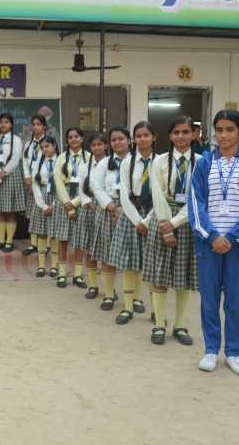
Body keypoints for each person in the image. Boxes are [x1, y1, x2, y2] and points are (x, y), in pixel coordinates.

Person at [190, 109, 239, 376]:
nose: (223, 135)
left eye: (230, 129)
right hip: (209, 244)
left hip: (238, 247)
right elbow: (196, 203)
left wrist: (232, 237)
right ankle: (211, 350)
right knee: (209, 300)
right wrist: (212, 236)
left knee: (235, 302)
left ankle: (234, 353)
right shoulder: (204, 164)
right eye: (219, 130)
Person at [142, 116, 201, 346]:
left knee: (182, 276)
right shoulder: (159, 161)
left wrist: (175, 222)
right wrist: (166, 226)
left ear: (193, 134)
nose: (181, 136)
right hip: (162, 219)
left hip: (188, 221)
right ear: (169, 135)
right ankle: (159, 324)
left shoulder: (202, 162)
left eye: (186, 132)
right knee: (160, 274)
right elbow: (157, 193)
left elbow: (198, 198)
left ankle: (180, 325)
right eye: (176, 132)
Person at [110, 122, 155, 325]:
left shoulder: (161, 161)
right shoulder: (127, 162)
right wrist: (138, 221)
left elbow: (163, 194)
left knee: (154, 264)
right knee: (129, 263)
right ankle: (128, 307)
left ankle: (156, 310)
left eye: (146, 135)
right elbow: (124, 194)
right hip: (131, 214)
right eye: (138, 136)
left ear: (153, 137)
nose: (142, 139)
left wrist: (148, 220)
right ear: (133, 140)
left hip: (154, 212)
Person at [91, 126, 132, 311]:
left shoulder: (136, 161)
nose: (118, 142)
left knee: (132, 257)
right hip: (109, 210)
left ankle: (134, 299)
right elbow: (96, 187)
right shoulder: (104, 163)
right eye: (114, 140)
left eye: (121, 138)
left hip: (132, 210)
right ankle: (108, 295)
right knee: (107, 256)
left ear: (129, 140)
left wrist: (126, 208)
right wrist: (111, 206)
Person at [0, 113, 25, 252]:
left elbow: (15, 159)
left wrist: (2, 174)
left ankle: (9, 241)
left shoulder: (16, 140)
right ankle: (1, 241)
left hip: (10, 176)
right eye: (1, 122)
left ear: (11, 125)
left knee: (10, 209)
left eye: (6, 122)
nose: (3, 124)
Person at [74, 134, 107, 299]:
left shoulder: (111, 164)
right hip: (89, 208)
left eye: (100, 144)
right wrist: (88, 202)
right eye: (93, 145)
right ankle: (93, 285)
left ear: (105, 146)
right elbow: (81, 189)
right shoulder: (83, 167)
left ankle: (109, 288)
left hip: (106, 206)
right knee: (89, 248)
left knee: (106, 249)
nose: (97, 147)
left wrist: (104, 203)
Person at [54, 127, 87, 287]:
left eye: (76, 136)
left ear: (82, 138)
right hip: (64, 198)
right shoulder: (61, 158)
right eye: (70, 137)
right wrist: (67, 203)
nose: (73, 139)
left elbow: (90, 182)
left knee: (80, 239)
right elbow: (58, 181)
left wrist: (75, 203)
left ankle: (78, 275)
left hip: (82, 197)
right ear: (67, 141)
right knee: (63, 239)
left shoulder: (89, 157)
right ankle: (61, 274)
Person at [29, 137, 59, 277]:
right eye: (42, 147)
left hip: (57, 198)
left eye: (47, 146)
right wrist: (43, 205)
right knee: (41, 233)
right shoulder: (38, 162)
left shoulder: (61, 160)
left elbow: (63, 184)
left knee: (55, 234)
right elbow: (35, 184)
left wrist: (54, 205)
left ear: (54, 145)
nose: (44, 149)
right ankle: (41, 266)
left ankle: (54, 266)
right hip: (41, 199)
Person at [21, 115, 48, 256]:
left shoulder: (49, 142)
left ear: (44, 126)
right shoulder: (29, 143)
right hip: (31, 182)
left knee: (45, 213)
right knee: (32, 213)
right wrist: (27, 178)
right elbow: (25, 162)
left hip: (44, 182)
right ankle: (33, 244)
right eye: (33, 124)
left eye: (39, 124)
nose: (35, 127)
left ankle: (47, 244)